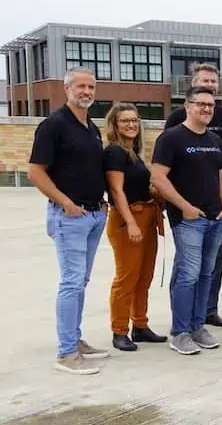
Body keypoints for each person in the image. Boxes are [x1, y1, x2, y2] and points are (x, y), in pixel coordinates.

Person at [27, 67, 110, 374]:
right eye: (80, 86)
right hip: (69, 216)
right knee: (72, 282)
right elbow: (36, 171)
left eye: (91, 87)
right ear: (67, 89)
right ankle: (65, 353)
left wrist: (100, 204)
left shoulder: (90, 127)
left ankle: (74, 340)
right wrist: (66, 203)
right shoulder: (54, 125)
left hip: (92, 214)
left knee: (81, 282)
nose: (86, 91)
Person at [151, 85, 222, 355]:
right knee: (188, 274)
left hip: (215, 218)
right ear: (188, 106)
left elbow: (221, 177)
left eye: (211, 105)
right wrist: (184, 207)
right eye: (201, 104)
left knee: (207, 273)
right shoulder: (171, 138)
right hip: (188, 220)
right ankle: (180, 331)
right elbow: (158, 177)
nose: (206, 109)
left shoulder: (215, 140)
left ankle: (197, 326)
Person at [164, 63, 222, 328]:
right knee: (187, 267)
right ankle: (182, 324)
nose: (209, 85)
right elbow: (162, 171)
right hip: (186, 209)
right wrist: (181, 204)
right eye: (204, 81)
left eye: (213, 82)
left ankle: (208, 311)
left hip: (217, 204)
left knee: (214, 261)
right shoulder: (176, 123)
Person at [102, 103, 167, 351]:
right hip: (128, 219)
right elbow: (116, 190)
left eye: (135, 120)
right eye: (125, 121)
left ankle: (140, 325)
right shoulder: (115, 153)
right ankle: (119, 330)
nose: (131, 124)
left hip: (147, 216)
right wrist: (130, 222)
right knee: (126, 278)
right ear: (114, 125)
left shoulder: (133, 153)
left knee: (144, 277)